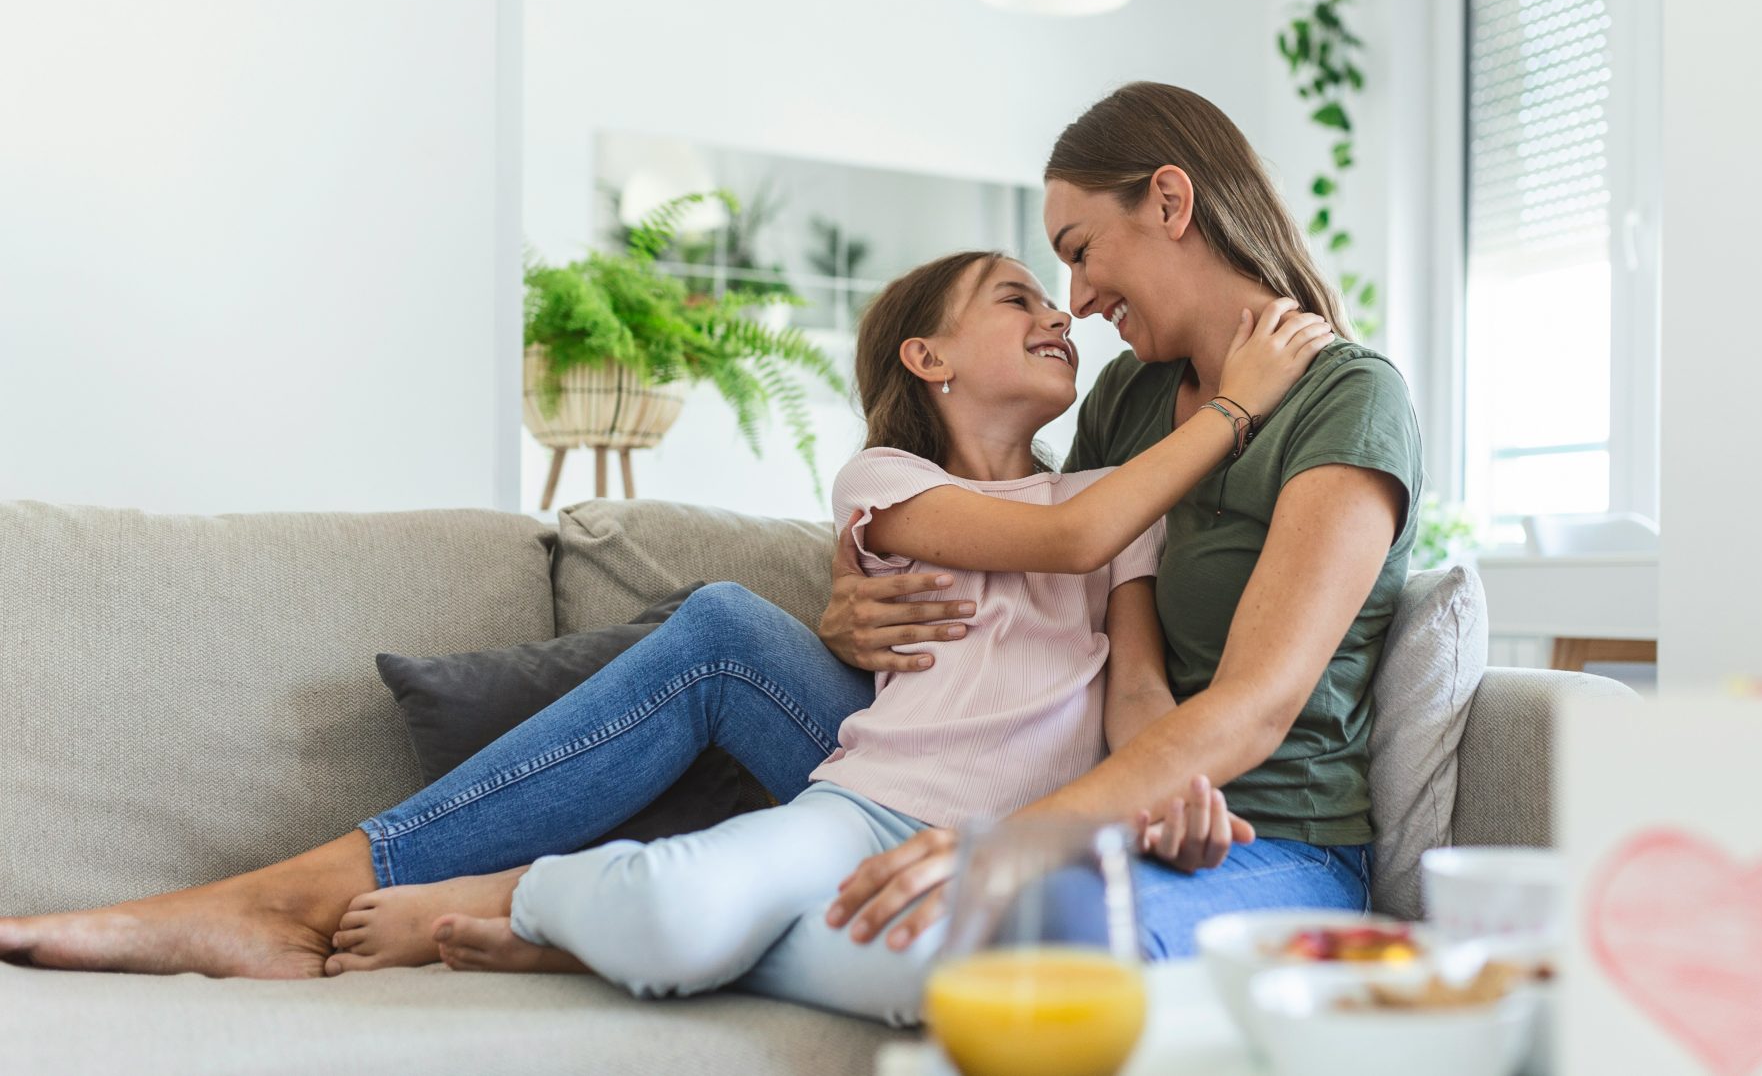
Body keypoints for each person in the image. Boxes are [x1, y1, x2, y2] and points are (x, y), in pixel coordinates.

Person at [0, 80, 1418, 987]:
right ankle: (306, 885)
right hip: (1014, 781)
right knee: (736, 634)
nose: (1076, 293)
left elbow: (1245, 699)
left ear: (1168, 201)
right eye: (1040, 276)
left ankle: (605, 915)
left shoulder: (1343, 401)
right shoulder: (1124, 403)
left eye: (1082, 251)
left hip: (1239, 828)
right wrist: (854, 618)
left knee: (1031, 954)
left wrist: (1048, 827)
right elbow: (1094, 594)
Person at [408, 249, 1329, 1023]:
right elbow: (1063, 540)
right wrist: (1234, 408)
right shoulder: (883, 480)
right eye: (1020, 298)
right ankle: (538, 895)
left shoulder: (1113, 503)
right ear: (928, 357)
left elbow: (1135, 690)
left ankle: (642, 945)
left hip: (1001, 845)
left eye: (1055, 300)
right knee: (666, 908)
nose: (1063, 314)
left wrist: (1171, 790)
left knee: (973, 983)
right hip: (864, 810)